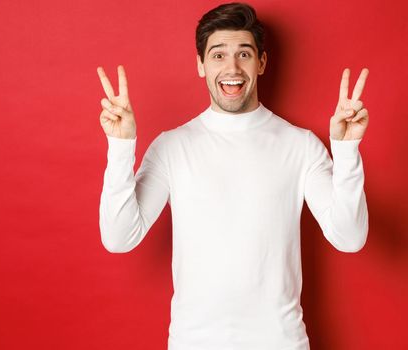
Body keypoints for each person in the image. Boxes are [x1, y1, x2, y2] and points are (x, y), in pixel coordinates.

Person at [96, 2, 369, 349]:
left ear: (262, 62)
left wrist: (346, 151)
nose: (232, 67)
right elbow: (119, 238)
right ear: (201, 64)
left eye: (244, 53)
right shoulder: (172, 147)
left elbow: (350, 237)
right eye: (218, 54)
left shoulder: (300, 146)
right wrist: (121, 147)